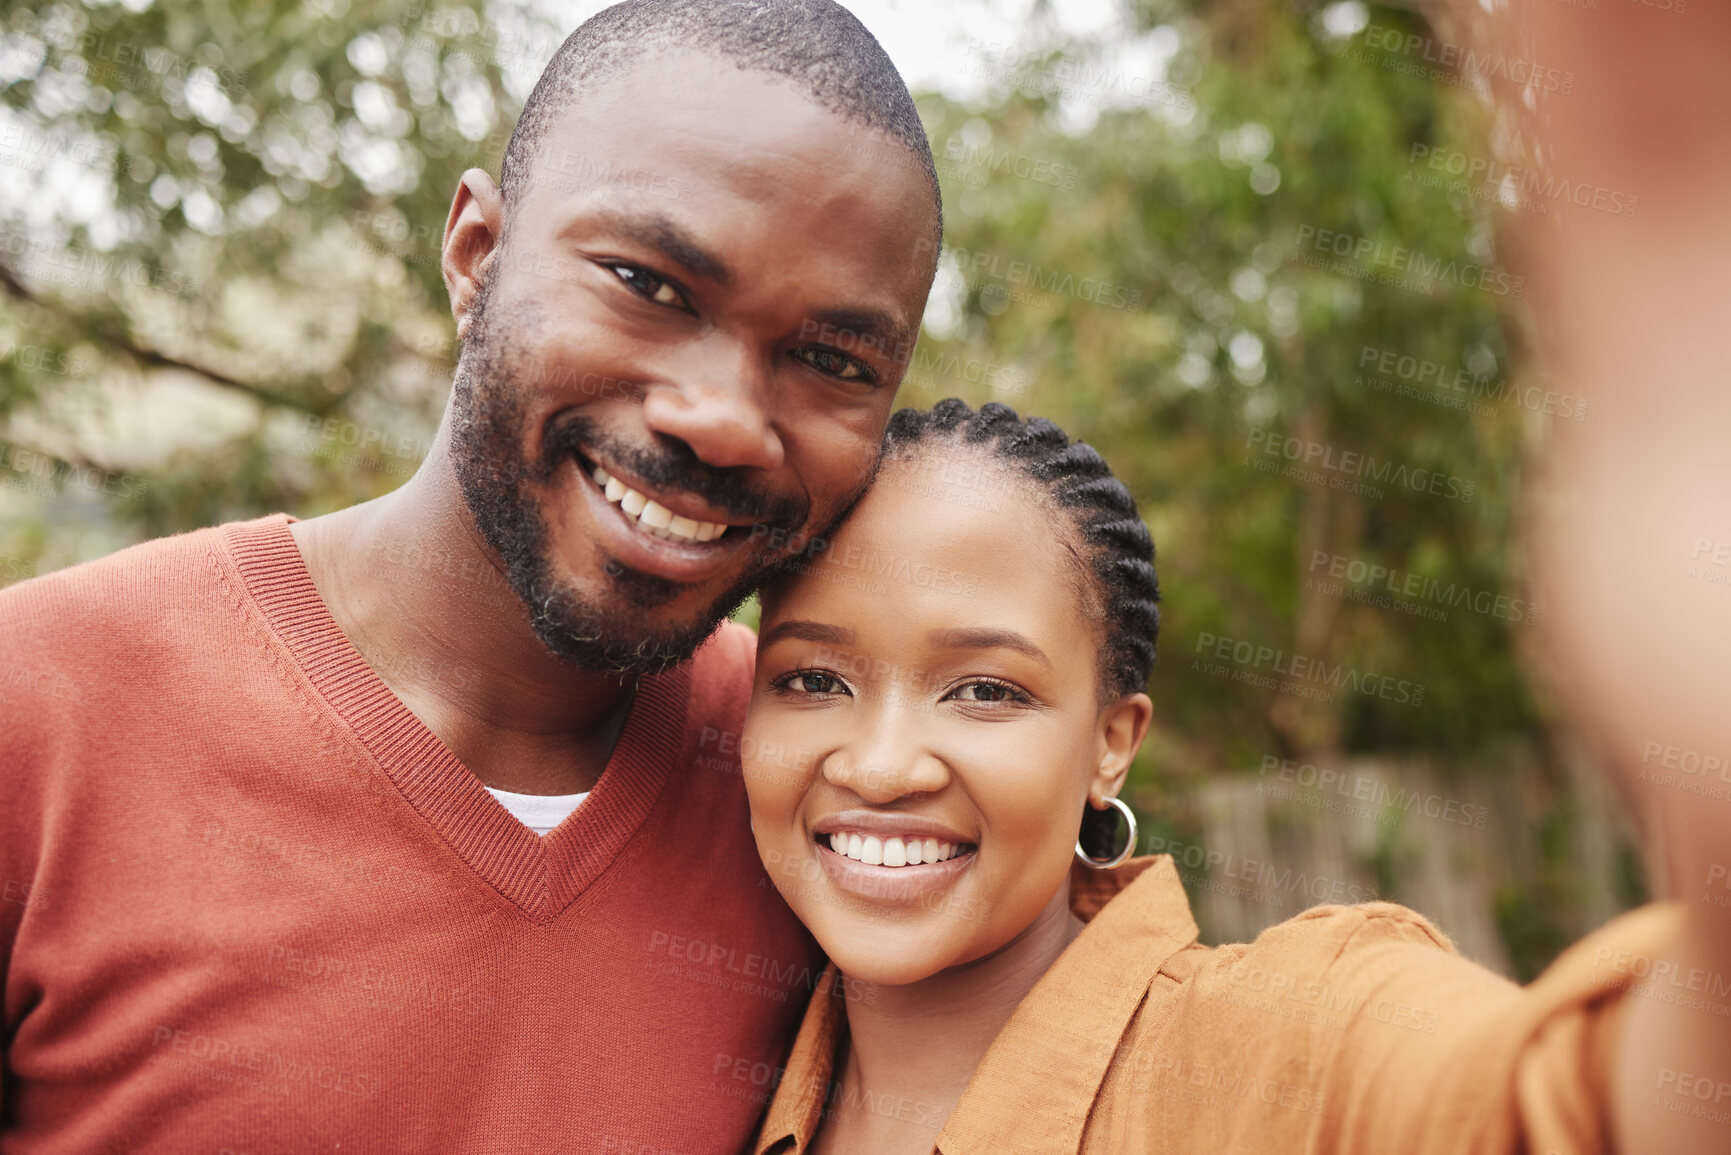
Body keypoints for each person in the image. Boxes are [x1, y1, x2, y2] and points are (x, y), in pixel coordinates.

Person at [0, 1, 941, 1149]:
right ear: (475, 256)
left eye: (832, 360)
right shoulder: (40, 708)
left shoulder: (833, 794)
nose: (726, 422)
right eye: (648, 285)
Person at [740, 398, 1702, 1155]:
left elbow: (1587, 1103)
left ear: (1111, 742)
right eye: (811, 679)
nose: (879, 763)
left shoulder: (1286, 1043)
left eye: (985, 689)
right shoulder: (723, 1066)